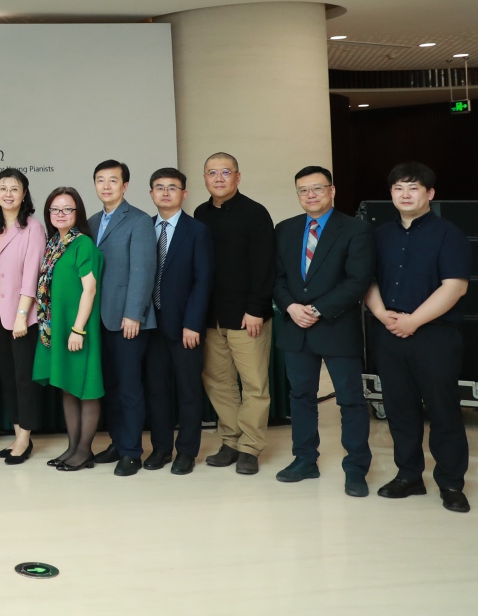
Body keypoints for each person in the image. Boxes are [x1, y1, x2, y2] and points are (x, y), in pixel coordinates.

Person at [366, 161, 472, 513]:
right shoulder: (379, 235)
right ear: (391, 194)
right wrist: (381, 314)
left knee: (443, 410)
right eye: (398, 188)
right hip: (389, 331)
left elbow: (455, 287)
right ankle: (409, 476)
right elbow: (367, 280)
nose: (405, 194)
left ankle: (451, 483)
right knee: (399, 409)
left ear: (430, 193)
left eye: (413, 188)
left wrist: (413, 321)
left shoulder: (448, 234)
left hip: (435, 335)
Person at [271, 165, 375, 496]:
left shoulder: (355, 229)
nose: (310, 195)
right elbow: (276, 277)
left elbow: (357, 280)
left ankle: (356, 467)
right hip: (295, 326)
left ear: (332, 190)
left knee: (350, 400)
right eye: (303, 190)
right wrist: (290, 306)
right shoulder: (285, 229)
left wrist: (317, 310)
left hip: (336, 326)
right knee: (300, 396)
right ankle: (304, 459)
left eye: (317, 188)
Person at [193, 152, 276, 476]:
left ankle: (250, 447)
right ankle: (231, 440)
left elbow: (265, 266)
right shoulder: (200, 214)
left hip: (247, 317)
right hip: (212, 318)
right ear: (204, 178)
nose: (218, 178)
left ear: (237, 177)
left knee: (254, 385)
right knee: (219, 383)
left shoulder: (255, 213)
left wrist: (256, 309)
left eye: (225, 172)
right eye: (211, 172)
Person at [87, 160, 157, 477]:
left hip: (128, 320)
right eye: (100, 180)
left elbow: (143, 271)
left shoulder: (139, 220)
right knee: (111, 386)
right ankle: (117, 442)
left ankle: (131, 452)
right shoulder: (91, 222)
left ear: (125, 186)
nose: (106, 186)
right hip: (99, 319)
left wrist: (133, 314)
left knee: (129, 388)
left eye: (112, 180)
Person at [141, 168, 213, 475]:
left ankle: (186, 450)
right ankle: (160, 448)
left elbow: (203, 280)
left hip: (185, 326)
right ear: (151, 194)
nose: (165, 192)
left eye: (172, 187)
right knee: (156, 391)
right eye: (159, 187)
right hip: (150, 325)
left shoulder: (197, 230)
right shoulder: (143, 228)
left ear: (184, 193)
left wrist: (193, 323)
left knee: (188, 390)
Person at [32, 186, 104, 471]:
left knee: (86, 388)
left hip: (78, 328)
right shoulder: (54, 244)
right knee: (68, 388)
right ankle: (73, 448)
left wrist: (78, 329)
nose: (60, 214)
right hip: (58, 327)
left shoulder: (82, 243)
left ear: (78, 213)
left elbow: (90, 289)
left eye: (67, 209)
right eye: (55, 209)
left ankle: (84, 452)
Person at [0, 168, 44, 465]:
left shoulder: (33, 228)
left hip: (22, 317)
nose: (8, 193)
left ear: (24, 194)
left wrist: (22, 314)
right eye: (3, 188)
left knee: (23, 378)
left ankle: (25, 438)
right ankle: (17, 432)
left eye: (14, 188)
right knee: (7, 377)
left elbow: (32, 275)